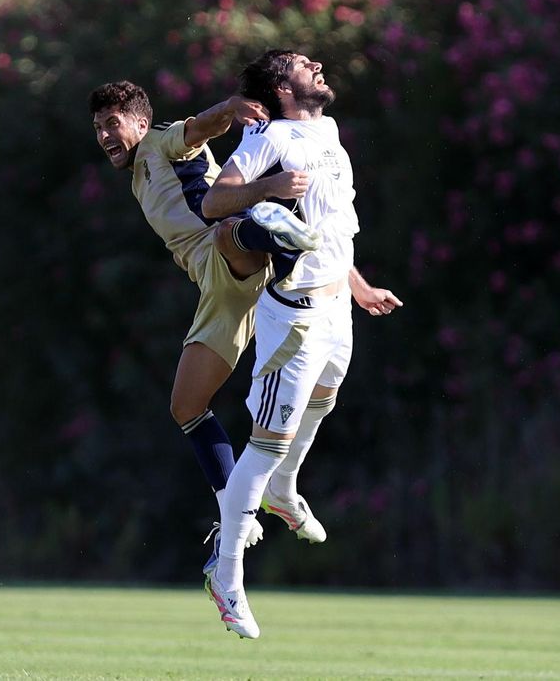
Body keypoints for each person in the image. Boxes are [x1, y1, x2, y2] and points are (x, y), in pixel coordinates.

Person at [198, 49, 403, 639]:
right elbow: (215, 203)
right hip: (294, 319)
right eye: (302, 65)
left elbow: (332, 225)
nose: (316, 68)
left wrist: (358, 286)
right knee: (264, 447)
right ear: (281, 87)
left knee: (324, 403)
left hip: (339, 305)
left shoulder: (329, 130)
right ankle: (228, 576)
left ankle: (286, 492)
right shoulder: (269, 138)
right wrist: (271, 185)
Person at [89, 81, 323, 547]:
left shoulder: (158, 141)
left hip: (227, 253)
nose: (103, 135)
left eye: (112, 124)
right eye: (97, 128)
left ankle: (275, 231)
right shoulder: (140, 172)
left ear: (139, 122)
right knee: (186, 406)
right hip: (218, 289)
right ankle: (238, 510)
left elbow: (196, 129)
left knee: (224, 235)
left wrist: (230, 108)